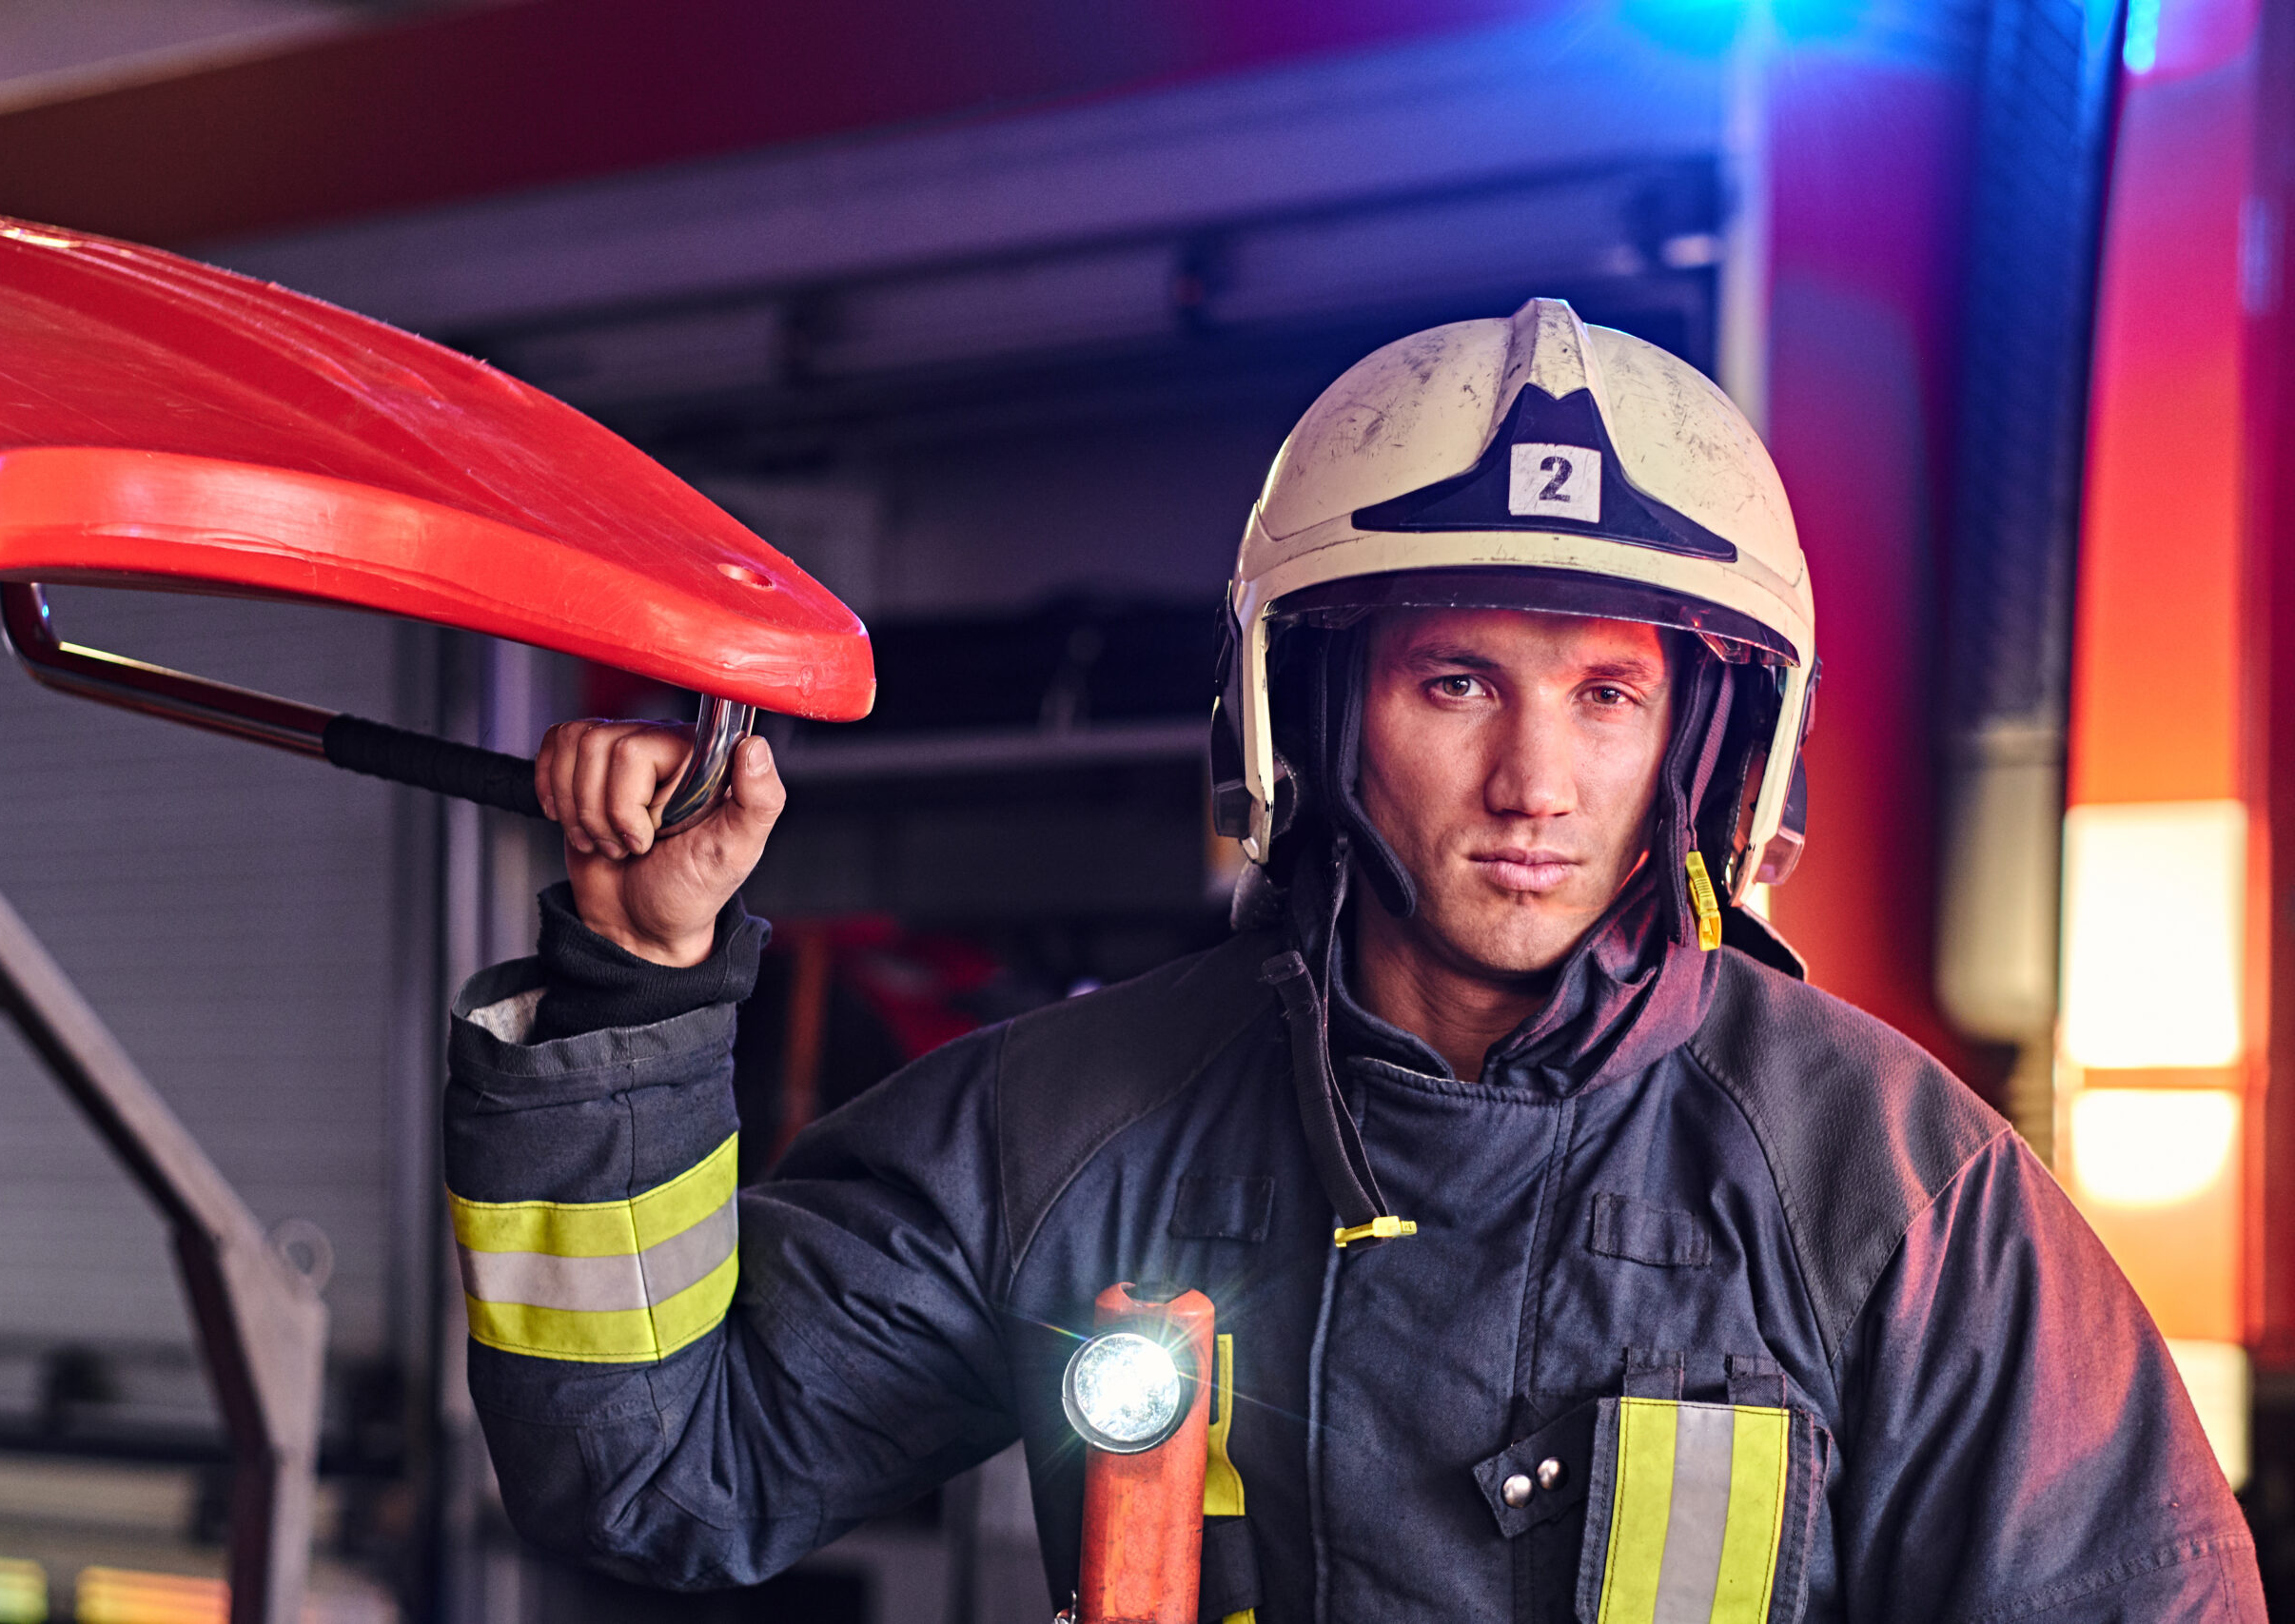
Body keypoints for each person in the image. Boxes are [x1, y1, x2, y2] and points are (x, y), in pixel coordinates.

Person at [443, 301, 2261, 1620]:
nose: (1536, 782)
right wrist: (639, 977)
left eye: (1608, 695)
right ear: (1309, 708)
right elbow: (659, 1482)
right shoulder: (1072, 1119)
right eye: (1457, 680)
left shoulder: (1897, 1191)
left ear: (1704, 751)